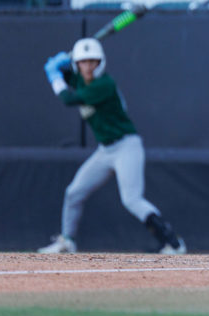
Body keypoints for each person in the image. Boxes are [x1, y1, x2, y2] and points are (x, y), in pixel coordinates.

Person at [38, 38, 186, 255]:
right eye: (83, 62)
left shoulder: (103, 84)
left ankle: (173, 243)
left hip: (126, 146)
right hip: (105, 150)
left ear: (101, 63)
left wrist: (53, 74)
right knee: (74, 192)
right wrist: (59, 68)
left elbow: (68, 99)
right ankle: (66, 241)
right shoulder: (81, 79)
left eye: (93, 62)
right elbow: (68, 79)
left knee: (132, 199)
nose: (88, 67)